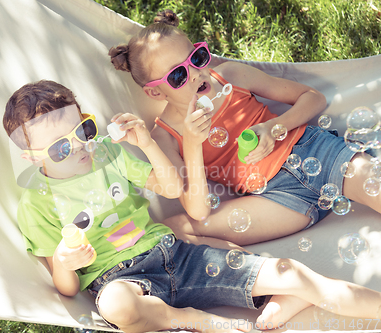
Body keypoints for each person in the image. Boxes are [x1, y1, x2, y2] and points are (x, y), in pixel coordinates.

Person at [3, 80, 381, 333]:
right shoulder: (37, 204)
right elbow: (66, 288)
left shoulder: (111, 155)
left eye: (83, 131)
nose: (81, 146)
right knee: (115, 305)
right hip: (120, 281)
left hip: (173, 253)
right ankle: (187, 317)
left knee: (293, 274)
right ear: (32, 157)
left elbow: (170, 187)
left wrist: (148, 144)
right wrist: (66, 259)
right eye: (60, 148)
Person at [108, 9, 381, 246]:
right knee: (176, 228)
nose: (195, 73)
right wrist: (192, 142)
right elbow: (199, 211)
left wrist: (275, 128)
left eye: (197, 58)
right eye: (178, 75)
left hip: (314, 152)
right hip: (275, 199)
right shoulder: (164, 136)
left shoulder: (231, 76)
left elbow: (313, 97)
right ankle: (270, 288)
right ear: (155, 94)